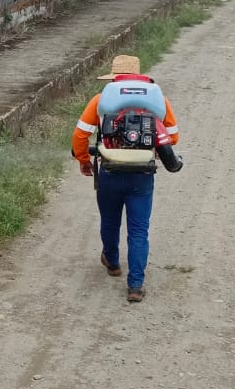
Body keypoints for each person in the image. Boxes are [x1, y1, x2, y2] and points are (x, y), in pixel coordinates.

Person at [71, 53, 180, 304]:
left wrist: (84, 160)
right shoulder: (158, 100)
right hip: (142, 174)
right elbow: (172, 137)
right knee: (139, 230)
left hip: (110, 171)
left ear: (114, 78)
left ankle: (112, 262)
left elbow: (80, 135)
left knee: (110, 220)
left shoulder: (100, 100)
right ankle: (135, 286)